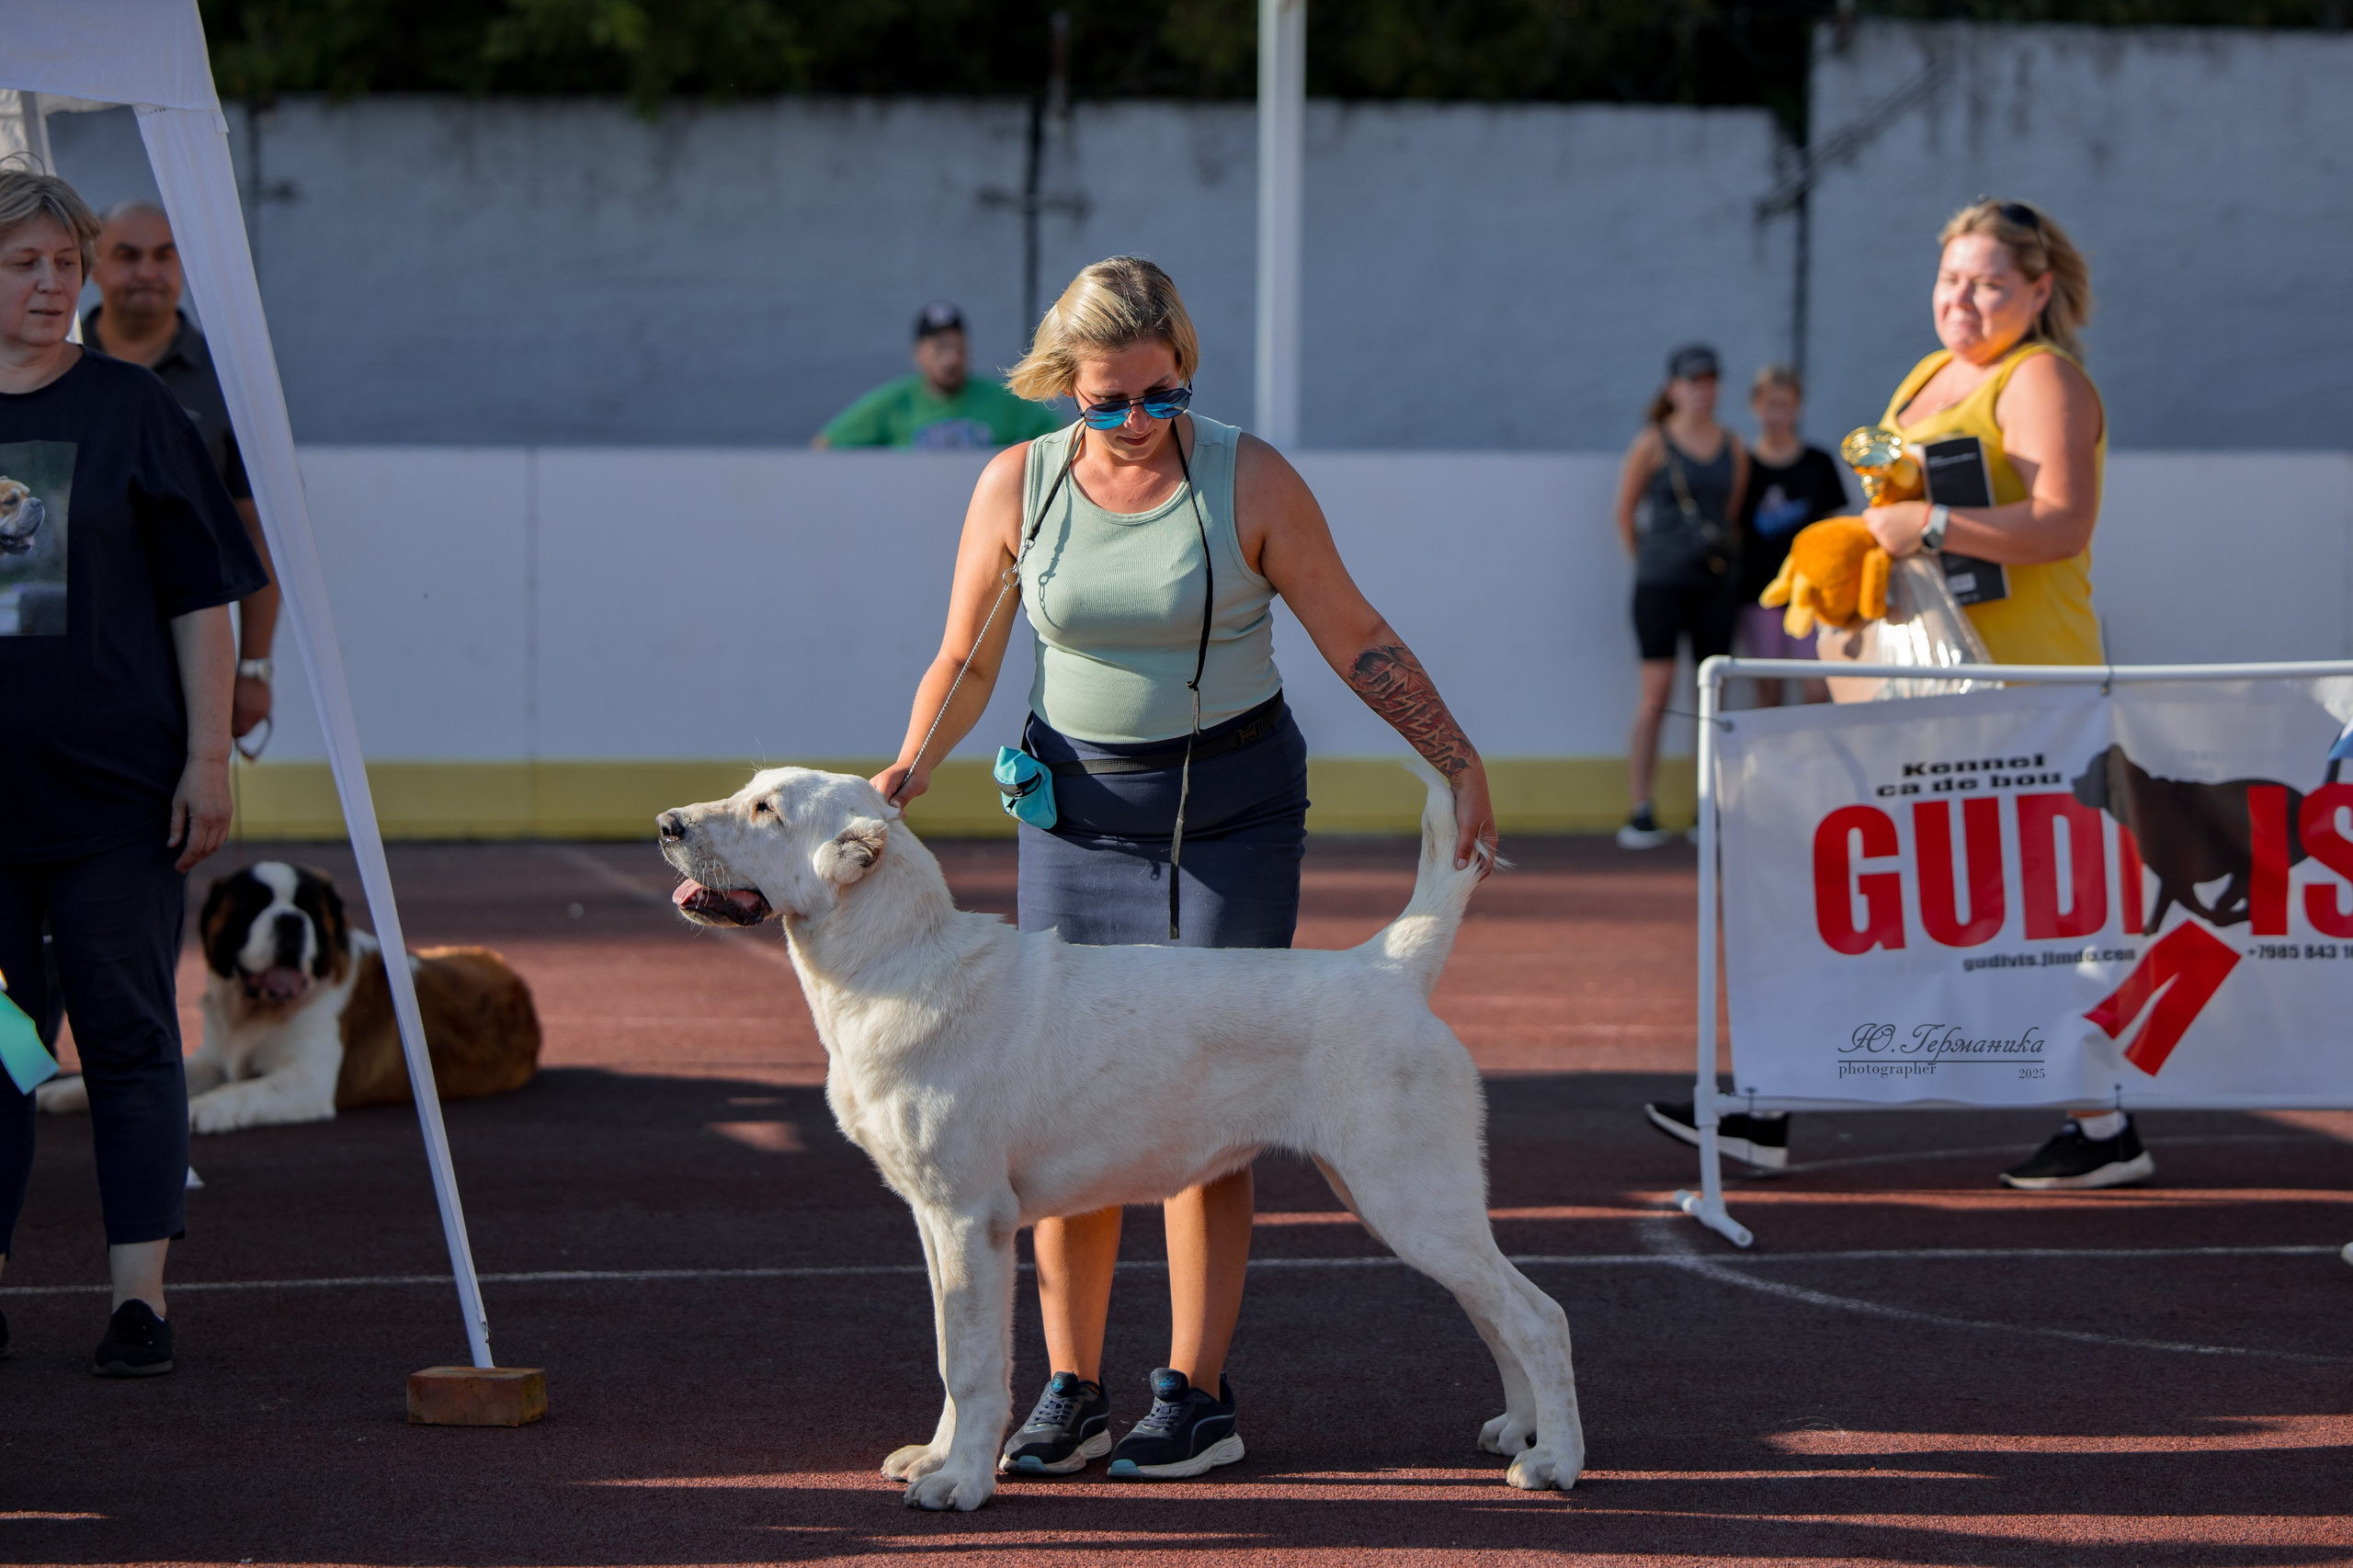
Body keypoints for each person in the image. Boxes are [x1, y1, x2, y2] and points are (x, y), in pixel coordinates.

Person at [873, 256, 1496, 1481]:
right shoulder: (1017, 484)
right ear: (1062, 384)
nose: (1137, 420)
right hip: (1078, 816)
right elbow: (967, 656)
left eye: (1163, 393)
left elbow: (1354, 632)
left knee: (1214, 1094)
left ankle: (1197, 1393)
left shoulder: (1247, 476)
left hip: (1231, 818)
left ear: (1187, 371)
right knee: (1059, 1095)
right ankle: (1070, 1390)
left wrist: (1457, 757)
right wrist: (910, 764)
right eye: (1107, 400)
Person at [1645, 199, 2123, 1190]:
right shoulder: (1926, 374)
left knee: (1996, 909)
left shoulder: (2040, 377)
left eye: (1989, 283)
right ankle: (1772, 1098)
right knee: (1888, 891)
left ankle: (2102, 1122)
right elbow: (1893, 512)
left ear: (2039, 289)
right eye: (1951, 279)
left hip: (2016, 689)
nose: (1963, 299)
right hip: (1921, 682)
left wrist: (1930, 526)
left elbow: (2061, 525)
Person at [0, 169, 267, 1375]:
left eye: (66, 263)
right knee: (3, 1044)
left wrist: (208, 758)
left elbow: (203, 597)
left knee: (124, 1031)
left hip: (116, 797)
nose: (51, 283)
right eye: (24, 263)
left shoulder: (133, 407)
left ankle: (138, 1299)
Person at [81, 200, 278, 745]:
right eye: (128, 255)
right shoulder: (52, 362)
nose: (148, 271)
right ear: (93, 265)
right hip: (70, 653)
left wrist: (254, 667)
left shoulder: (231, 379)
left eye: (165, 255)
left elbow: (257, 532)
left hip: (187, 659)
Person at [1612, 344, 1747, 849]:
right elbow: (1625, 515)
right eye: (1692, 381)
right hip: (1660, 585)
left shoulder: (1733, 445)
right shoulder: (1652, 441)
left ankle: (1704, 808)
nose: (1701, 390)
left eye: (1709, 380)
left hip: (1714, 586)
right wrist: (1651, 564)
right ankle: (1641, 809)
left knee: (1710, 692)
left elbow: (1732, 514)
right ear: (1673, 389)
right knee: (1657, 692)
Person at [1734, 365, 1844, 706]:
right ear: (1755, 407)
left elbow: (1832, 529)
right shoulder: (1744, 465)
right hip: (1759, 592)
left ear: (1798, 406)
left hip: (1808, 593)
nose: (1778, 415)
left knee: (1816, 688)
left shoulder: (1818, 463)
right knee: (1769, 689)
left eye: (1785, 405)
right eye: (1771, 405)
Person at [815, 301, 1064, 450]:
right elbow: (826, 444)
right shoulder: (895, 403)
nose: (951, 359)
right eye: (940, 349)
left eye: (958, 348)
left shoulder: (1001, 399)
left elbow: (1062, 435)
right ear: (918, 355)